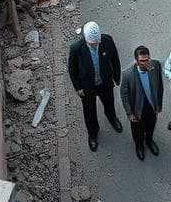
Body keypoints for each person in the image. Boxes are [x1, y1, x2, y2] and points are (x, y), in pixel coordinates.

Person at [68, 22, 123, 152]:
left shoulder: (107, 40)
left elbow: (115, 59)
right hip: (87, 86)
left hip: (105, 83)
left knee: (109, 103)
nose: (95, 46)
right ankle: (93, 134)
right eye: (92, 44)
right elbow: (72, 69)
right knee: (89, 111)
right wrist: (78, 88)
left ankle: (112, 118)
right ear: (86, 40)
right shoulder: (76, 48)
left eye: (97, 43)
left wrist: (116, 78)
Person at [119, 45, 164, 161]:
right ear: (136, 60)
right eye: (142, 61)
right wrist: (129, 113)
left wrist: (159, 104)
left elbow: (160, 86)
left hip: (151, 106)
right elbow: (124, 94)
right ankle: (139, 145)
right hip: (137, 109)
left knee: (151, 125)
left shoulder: (156, 65)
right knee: (137, 130)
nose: (145, 63)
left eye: (147, 60)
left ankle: (149, 140)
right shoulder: (127, 74)